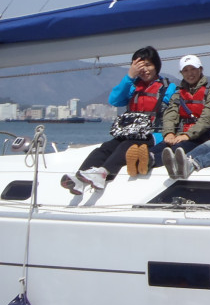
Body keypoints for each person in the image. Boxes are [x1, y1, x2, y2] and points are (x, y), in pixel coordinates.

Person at [62, 46, 177, 194]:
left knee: (126, 146)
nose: (145, 70)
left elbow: (175, 111)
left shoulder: (168, 88)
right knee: (105, 148)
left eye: (148, 65)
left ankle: (103, 173)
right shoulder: (132, 86)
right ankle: (80, 178)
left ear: (156, 65)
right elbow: (114, 100)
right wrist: (129, 76)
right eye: (140, 66)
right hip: (131, 133)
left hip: (154, 134)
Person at [155, 54, 210, 168]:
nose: (190, 73)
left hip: (201, 136)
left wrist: (188, 135)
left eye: (193, 69)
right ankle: (145, 158)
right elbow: (170, 115)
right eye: (185, 70)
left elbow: (208, 118)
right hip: (181, 134)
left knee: (176, 150)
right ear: (181, 73)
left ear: (200, 69)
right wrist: (169, 133)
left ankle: (151, 161)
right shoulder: (178, 94)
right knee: (159, 148)